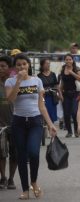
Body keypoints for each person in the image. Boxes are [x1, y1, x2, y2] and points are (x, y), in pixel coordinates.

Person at [5, 54, 57, 199]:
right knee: (21, 155)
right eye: (19, 65)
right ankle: (25, 189)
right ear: (15, 68)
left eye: (24, 64)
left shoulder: (37, 81)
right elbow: (11, 99)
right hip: (18, 122)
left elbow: (41, 105)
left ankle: (33, 181)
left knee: (34, 152)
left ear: (29, 65)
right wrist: (18, 81)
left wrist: (50, 124)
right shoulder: (10, 81)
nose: (22, 67)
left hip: (35, 121)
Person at [0, 56, 17, 190]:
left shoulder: (15, 82)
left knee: (14, 152)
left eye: (3, 66)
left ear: (9, 69)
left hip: (15, 123)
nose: (0, 69)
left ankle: (11, 178)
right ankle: (3, 177)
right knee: (1, 153)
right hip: (0, 125)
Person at [58, 54, 80, 138]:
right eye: (67, 59)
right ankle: (69, 131)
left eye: (70, 59)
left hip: (75, 93)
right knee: (66, 113)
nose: (68, 61)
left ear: (73, 60)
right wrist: (60, 94)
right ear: (64, 60)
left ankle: (76, 130)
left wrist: (72, 72)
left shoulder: (77, 69)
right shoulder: (62, 69)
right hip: (65, 94)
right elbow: (62, 83)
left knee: (74, 112)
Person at [37, 58, 58, 123]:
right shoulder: (39, 76)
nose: (48, 65)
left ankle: (51, 129)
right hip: (44, 97)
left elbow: (56, 85)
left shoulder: (53, 74)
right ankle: (45, 129)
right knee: (45, 115)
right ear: (42, 65)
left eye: (49, 63)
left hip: (52, 97)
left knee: (52, 116)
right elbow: (38, 88)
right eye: (46, 63)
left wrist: (59, 94)